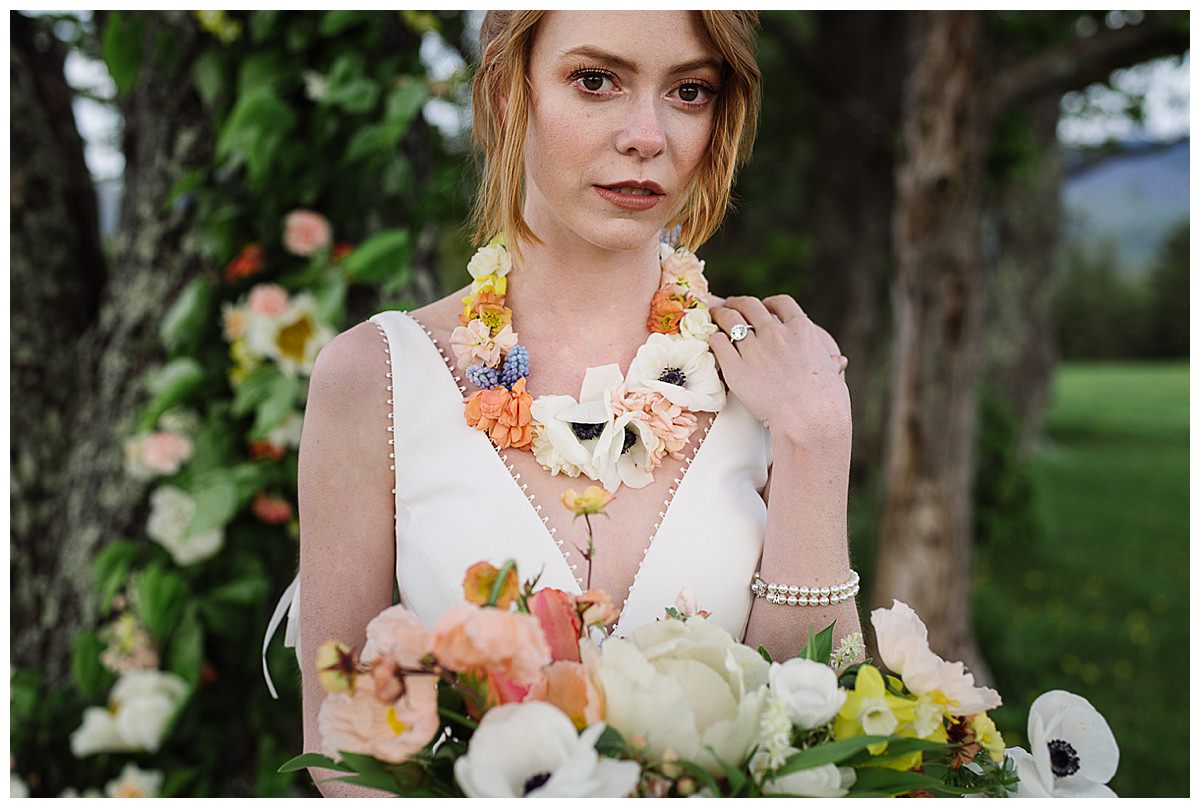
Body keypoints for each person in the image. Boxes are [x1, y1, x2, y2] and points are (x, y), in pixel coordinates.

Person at [275, 10, 859, 797]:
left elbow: (823, 737)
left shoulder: (777, 380)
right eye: (596, 81)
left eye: (689, 91)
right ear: (508, 93)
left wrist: (817, 441)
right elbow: (343, 751)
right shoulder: (374, 378)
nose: (648, 135)